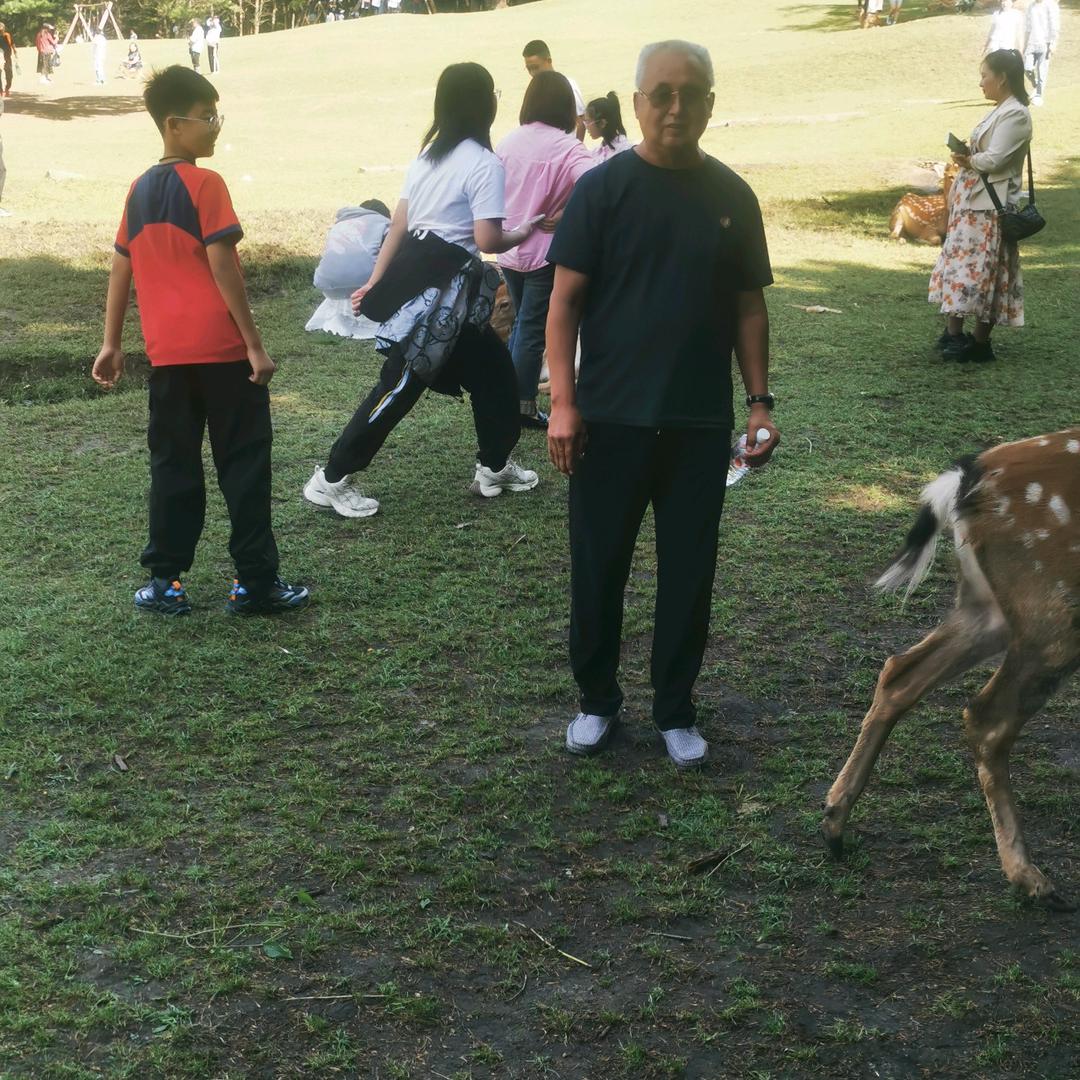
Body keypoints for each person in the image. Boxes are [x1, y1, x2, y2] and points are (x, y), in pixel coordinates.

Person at [545, 40, 778, 769]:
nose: (677, 107)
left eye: (692, 93)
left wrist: (759, 403)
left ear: (711, 102)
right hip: (608, 421)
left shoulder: (732, 197)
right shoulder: (602, 191)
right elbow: (563, 305)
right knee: (598, 568)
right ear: (639, 102)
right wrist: (564, 404)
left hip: (697, 422)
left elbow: (748, 309)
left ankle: (675, 710)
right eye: (662, 94)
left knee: (688, 574)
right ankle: (597, 701)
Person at [92, 66, 309, 616]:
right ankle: (255, 583)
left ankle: (165, 583)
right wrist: (254, 344)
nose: (215, 126)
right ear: (173, 124)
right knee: (244, 464)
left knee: (172, 465)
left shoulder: (139, 190)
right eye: (206, 117)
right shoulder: (206, 184)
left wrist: (111, 342)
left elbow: (121, 267)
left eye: (216, 116)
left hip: (168, 358)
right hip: (222, 353)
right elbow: (223, 266)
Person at [303, 62, 542, 519]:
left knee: (494, 374)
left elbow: (400, 224)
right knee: (400, 385)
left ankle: (494, 467)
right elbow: (488, 239)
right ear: (483, 104)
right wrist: (526, 230)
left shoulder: (428, 157)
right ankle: (330, 479)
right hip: (443, 298)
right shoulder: (484, 164)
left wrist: (376, 280)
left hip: (433, 288)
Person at [495, 71, 595, 430]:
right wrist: (567, 212)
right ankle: (520, 404)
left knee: (523, 324)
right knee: (532, 329)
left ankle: (505, 396)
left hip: (508, 248)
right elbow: (597, 182)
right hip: (545, 254)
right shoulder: (567, 147)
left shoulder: (508, 142)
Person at [929, 50, 1032, 363]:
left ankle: (977, 341)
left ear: (1002, 78)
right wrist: (968, 154)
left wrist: (968, 160)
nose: (981, 82)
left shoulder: (1016, 114)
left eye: (985, 75)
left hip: (990, 207)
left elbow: (996, 159)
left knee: (985, 272)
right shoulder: (999, 110)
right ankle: (955, 334)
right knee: (961, 267)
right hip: (973, 202)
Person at [521, 40, 586, 140]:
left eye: (536, 67)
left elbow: (581, 123)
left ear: (549, 61)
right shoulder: (534, 91)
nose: (532, 73)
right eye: (529, 69)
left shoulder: (568, 85)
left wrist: (576, 147)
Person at [1024, 0, 1060, 106]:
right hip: (1031, 43)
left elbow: (1054, 26)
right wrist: (1025, 44)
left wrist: (1053, 43)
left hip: (1045, 43)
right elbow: (1027, 27)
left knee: (1042, 70)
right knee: (1027, 69)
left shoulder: (1049, 5)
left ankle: (1039, 95)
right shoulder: (1031, 6)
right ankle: (1036, 85)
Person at [583, 93, 633, 162]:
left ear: (602, 123)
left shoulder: (624, 150)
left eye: (588, 121)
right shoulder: (597, 151)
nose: (586, 126)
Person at [0, 22, 16, 98]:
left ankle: (7, 88)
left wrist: (15, 51)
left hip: (7, 57)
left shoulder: (7, 35)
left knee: (9, 74)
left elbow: (12, 43)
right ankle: (1, 91)